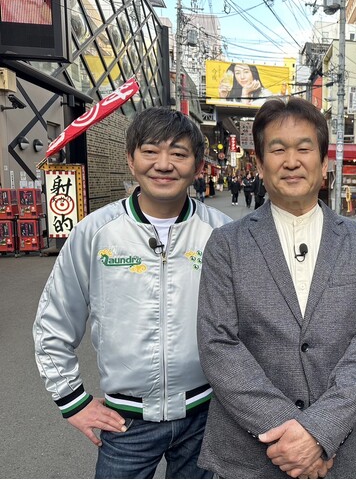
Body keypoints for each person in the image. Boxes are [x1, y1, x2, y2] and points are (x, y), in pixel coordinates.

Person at [196, 97, 356, 478]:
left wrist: (320, 431)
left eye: (304, 148)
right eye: (277, 149)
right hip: (251, 455)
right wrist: (292, 435)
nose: (291, 161)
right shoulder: (227, 244)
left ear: (323, 162)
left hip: (342, 453)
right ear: (259, 164)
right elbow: (217, 343)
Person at [33, 107, 231, 478]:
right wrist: (72, 401)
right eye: (151, 151)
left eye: (179, 153)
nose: (164, 164)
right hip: (125, 421)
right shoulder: (96, 232)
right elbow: (53, 322)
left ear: (198, 166)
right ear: (130, 159)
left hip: (205, 417)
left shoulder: (222, 233)